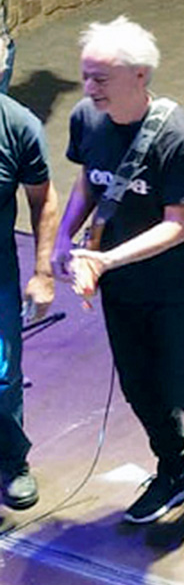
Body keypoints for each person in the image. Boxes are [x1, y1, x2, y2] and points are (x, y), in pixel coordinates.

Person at [57, 18, 184, 523]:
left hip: (174, 283)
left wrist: (104, 259)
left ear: (139, 76)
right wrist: (63, 237)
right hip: (122, 284)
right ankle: (177, 470)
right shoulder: (87, 118)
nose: (89, 88)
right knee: (140, 384)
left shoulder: (180, 139)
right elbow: (88, 183)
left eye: (101, 78)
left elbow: (178, 226)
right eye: (86, 76)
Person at [0, 90, 57, 509]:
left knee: (2, 374)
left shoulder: (18, 126)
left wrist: (42, 271)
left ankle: (12, 461)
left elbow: (43, 200)